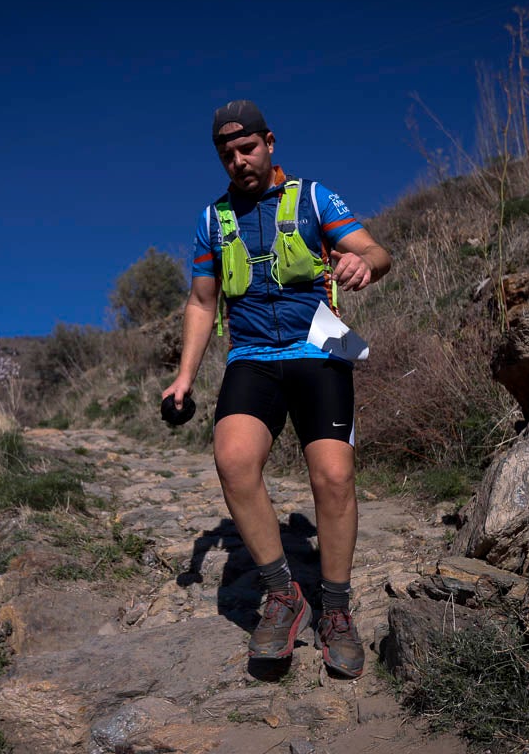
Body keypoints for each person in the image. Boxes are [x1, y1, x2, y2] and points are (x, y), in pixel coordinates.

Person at [162, 100, 391, 678]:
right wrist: (184, 376)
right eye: (227, 154)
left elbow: (375, 250)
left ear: (269, 143)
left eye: (247, 148)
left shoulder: (313, 198)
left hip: (319, 350)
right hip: (252, 358)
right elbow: (202, 302)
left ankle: (335, 608)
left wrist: (364, 264)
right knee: (233, 461)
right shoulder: (213, 220)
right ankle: (284, 595)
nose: (239, 161)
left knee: (333, 476)